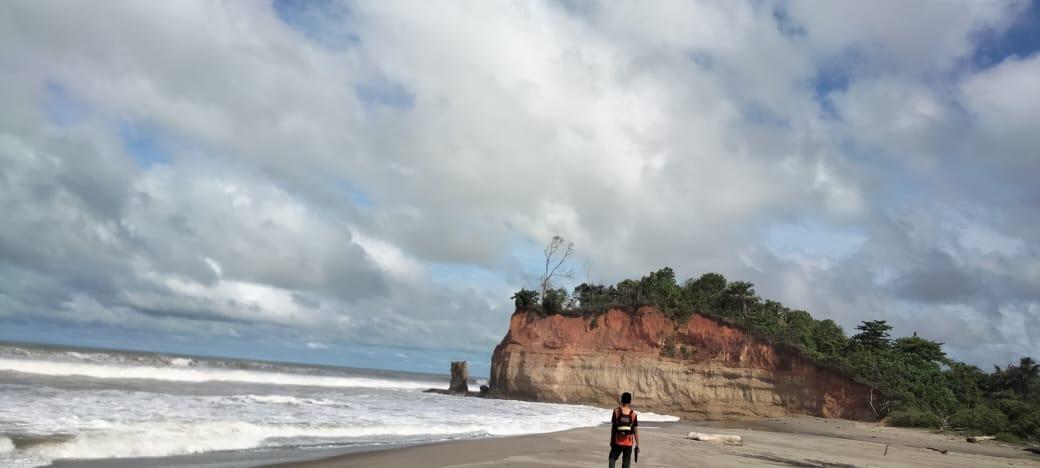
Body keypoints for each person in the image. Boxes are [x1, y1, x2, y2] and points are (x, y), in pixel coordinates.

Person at [608, 392, 638, 468]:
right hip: (628, 443)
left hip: (617, 441)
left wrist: (612, 440)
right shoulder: (633, 414)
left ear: (621, 400)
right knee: (626, 463)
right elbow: (635, 431)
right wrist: (637, 444)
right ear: (630, 401)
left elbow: (613, 427)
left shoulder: (616, 411)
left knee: (612, 458)